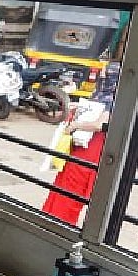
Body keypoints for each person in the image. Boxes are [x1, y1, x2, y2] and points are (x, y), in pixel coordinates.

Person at [42, 61, 120, 226]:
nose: (101, 76)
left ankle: (59, 225)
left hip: (88, 152)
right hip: (80, 148)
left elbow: (100, 124)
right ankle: (51, 220)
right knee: (63, 185)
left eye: (105, 74)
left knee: (71, 191)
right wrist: (77, 106)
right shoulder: (102, 95)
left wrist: (76, 125)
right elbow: (93, 109)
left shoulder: (112, 99)